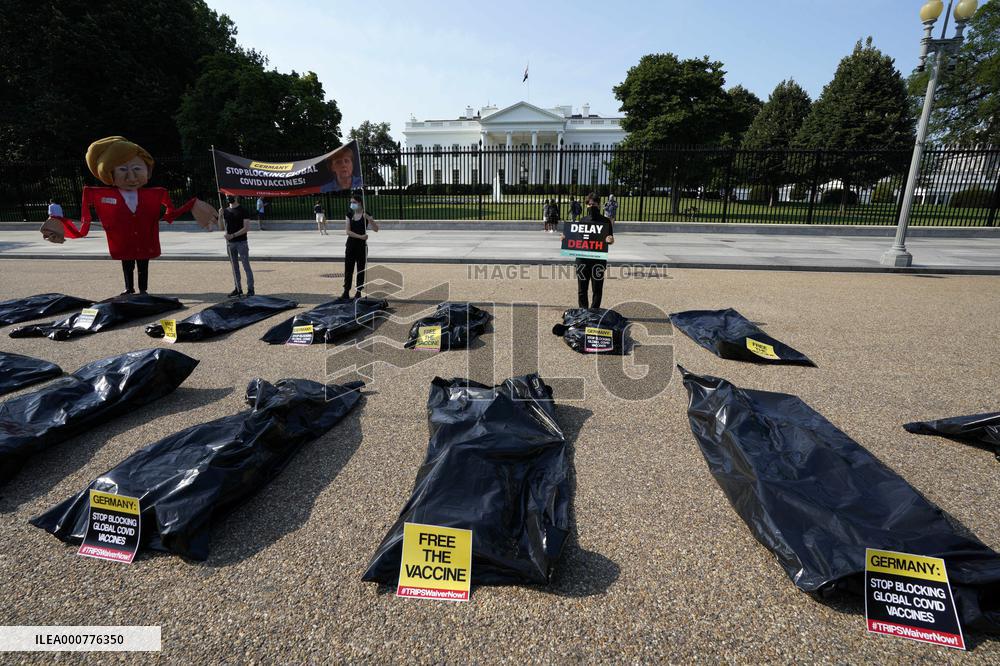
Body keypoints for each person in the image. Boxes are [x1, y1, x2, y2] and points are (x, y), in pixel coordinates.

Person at [40, 136, 217, 294]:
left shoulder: (157, 194)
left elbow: (170, 215)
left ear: (147, 170)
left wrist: (192, 205)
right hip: (123, 239)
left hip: (145, 239)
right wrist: (61, 224)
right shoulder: (101, 194)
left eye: (137, 169)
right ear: (110, 174)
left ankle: (143, 289)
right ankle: (129, 288)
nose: (132, 177)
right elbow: (85, 218)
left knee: (143, 264)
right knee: (127, 264)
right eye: (123, 170)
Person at [572, 192, 614, 309]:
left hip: (598, 260)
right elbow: (576, 238)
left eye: (594, 204)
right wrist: (566, 238)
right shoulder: (582, 220)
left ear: (599, 205)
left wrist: (609, 239)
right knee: (582, 289)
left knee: (597, 289)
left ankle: (594, 311)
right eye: (589, 204)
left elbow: (610, 239)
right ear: (586, 205)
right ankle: (583, 311)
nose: (592, 206)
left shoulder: (606, 221)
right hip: (582, 259)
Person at [342, 193, 379, 299]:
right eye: (351, 202)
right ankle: (346, 291)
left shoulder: (365, 214)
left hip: (361, 247)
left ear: (360, 203)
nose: (352, 204)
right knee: (348, 268)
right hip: (351, 245)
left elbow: (376, 229)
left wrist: (370, 219)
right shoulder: (349, 215)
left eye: (354, 202)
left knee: (361, 269)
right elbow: (348, 231)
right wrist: (361, 236)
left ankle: (359, 291)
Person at [220, 195, 254, 298]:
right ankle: (238, 288)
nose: (227, 197)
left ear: (235, 197)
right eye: (226, 195)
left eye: (229, 195)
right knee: (234, 267)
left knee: (246, 266)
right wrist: (220, 216)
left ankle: (250, 289)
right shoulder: (225, 211)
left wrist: (233, 235)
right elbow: (221, 227)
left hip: (241, 242)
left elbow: (246, 228)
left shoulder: (243, 210)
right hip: (230, 244)